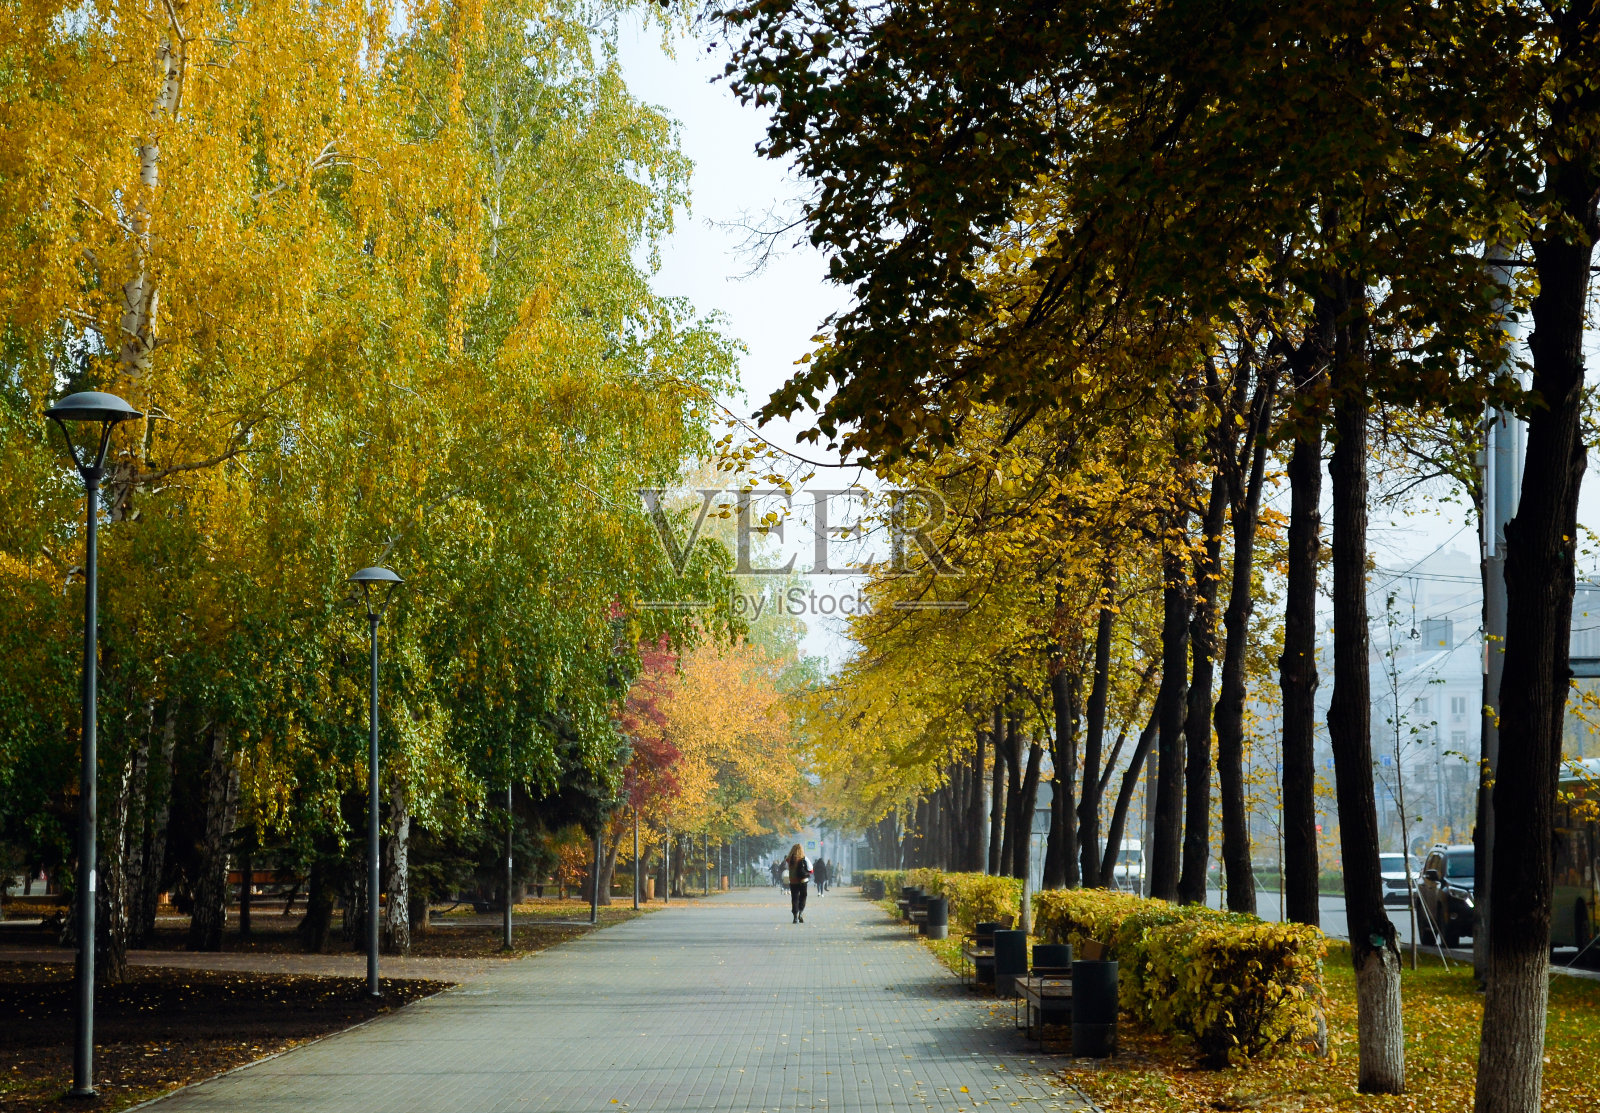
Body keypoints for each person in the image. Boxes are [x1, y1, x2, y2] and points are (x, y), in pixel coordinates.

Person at [785, 843, 812, 923]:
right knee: (803, 896)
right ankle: (801, 911)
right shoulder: (804, 858)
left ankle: (795, 916)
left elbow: (786, 868)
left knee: (794, 898)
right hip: (803, 881)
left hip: (793, 881)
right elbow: (811, 869)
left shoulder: (789, 859)